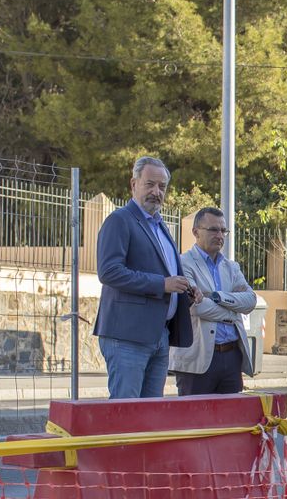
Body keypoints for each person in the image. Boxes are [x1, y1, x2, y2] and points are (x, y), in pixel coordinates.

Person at [94, 156, 195, 398]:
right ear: (133, 184)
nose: (156, 192)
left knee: (151, 416)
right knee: (126, 414)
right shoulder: (119, 221)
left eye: (162, 187)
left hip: (159, 335)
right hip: (127, 336)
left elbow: (167, 273)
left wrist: (186, 288)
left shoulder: (161, 226)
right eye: (149, 184)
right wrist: (162, 284)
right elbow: (109, 272)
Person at [169, 207, 256, 395]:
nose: (220, 235)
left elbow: (250, 301)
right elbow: (197, 307)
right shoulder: (183, 263)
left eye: (223, 230)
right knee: (195, 422)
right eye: (213, 230)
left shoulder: (232, 267)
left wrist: (217, 297)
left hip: (232, 357)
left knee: (231, 422)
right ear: (195, 232)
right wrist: (233, 312)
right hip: (197, 360)